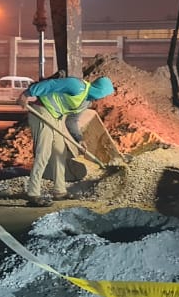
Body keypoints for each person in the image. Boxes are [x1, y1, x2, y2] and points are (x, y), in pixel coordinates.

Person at [23, 75, 115, 207]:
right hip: (42, 110)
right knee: (43, 153)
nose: (102, 98)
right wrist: (26, 94)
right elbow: (50, 84)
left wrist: (79, 139)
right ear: (99, 90)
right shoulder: (76, 85)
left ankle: (59, 191)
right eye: (103, 95)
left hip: (57, 117)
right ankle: (33, 194)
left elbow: (72, 121)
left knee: (60, 153)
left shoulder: (86, 102)